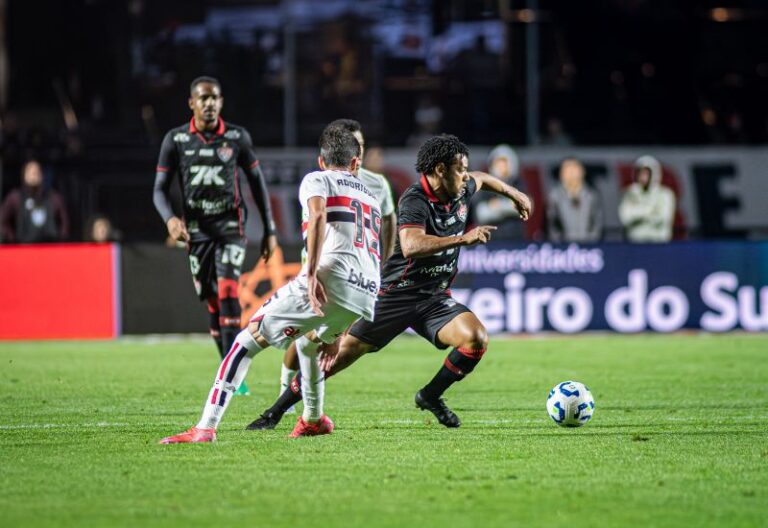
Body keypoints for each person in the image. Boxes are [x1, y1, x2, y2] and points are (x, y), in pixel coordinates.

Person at [247, 134, 532, 430]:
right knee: (338, 357)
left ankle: (430, 396)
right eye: (459, 169)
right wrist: (463, 238)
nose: (465, 176)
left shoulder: (461, 188)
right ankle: (274, 413)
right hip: (394, 296)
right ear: (439, 170)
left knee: (476, 339)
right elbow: (410, 244)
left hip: (434, 297)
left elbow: (483, 178)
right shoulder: (414, 199)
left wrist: (515, 194)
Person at [159, 125, 382, 442]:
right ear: (356, 163)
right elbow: (372, 251)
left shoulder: (317, 179)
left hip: (330, 276)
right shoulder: (371, 196)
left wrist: (311, 273)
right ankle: (313, 419)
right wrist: (339, 328)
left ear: (321, 160)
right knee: (309, 344)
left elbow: (318, 216)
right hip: (365, 291)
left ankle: (205, 427)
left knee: (242, 344)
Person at [152, 76, 278, 396]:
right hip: (197, 234)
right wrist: (169, 220)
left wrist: (270, 230)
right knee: (211, 300)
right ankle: (227, 366)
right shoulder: (176, 139)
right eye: (203, 98)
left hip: (231, 229)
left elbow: (258, 185)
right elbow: (159, 191)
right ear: (191, 103)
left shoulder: (237, 137)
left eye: (215, 98)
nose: (209, 103)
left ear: (221, 102)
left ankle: (233, 375)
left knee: (227, 292)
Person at [276, 119, 397, 411]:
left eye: (362, 144)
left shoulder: (376, 183)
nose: (360, 149)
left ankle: (301, 406)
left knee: (322, 336)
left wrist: (385, 261)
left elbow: (389, 221)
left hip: (358, 270)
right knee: (308, 335)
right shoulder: (324, 178)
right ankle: (287, 393)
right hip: (325, 262)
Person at [0, 159, 69, 243]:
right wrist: (12, 239)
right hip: (23, 248)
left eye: (36, 172)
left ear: (42, 175)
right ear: (24, 175)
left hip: (50, 248)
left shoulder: (53, 197)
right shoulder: (15, 197)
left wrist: (60, 241)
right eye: (30, 172)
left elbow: (64, 222)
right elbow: (3, 221)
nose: (34, 175)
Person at [471, 144, 525, 240]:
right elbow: (481, 213)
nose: (501, 166)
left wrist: (498, 206)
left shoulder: (518, 184)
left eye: (504, 162)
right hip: (492, 242)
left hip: (516, 241)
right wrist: (510, 206)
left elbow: (524, 207)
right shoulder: (485, 185)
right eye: (498, 162)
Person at [618, 155, 675, 242]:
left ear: (654, 174)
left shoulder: (665, 194)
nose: (642, 177)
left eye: (646, 173)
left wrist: (637, 213)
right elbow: (625, 218)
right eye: (640, 173)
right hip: (636, 243)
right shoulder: (630, 192)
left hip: (659, 243)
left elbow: (662, 219)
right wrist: (650, 211)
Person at [546, 158, 603, 243]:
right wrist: (559, 244)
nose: (571, 172)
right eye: (566, 169)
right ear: (561, 174)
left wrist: (591, 242)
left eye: (574, 168)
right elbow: (552, 224)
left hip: (589, 247)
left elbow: (597, 222)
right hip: (564, 248)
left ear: (582, 171)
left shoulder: (592, 195)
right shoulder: (554, 196)